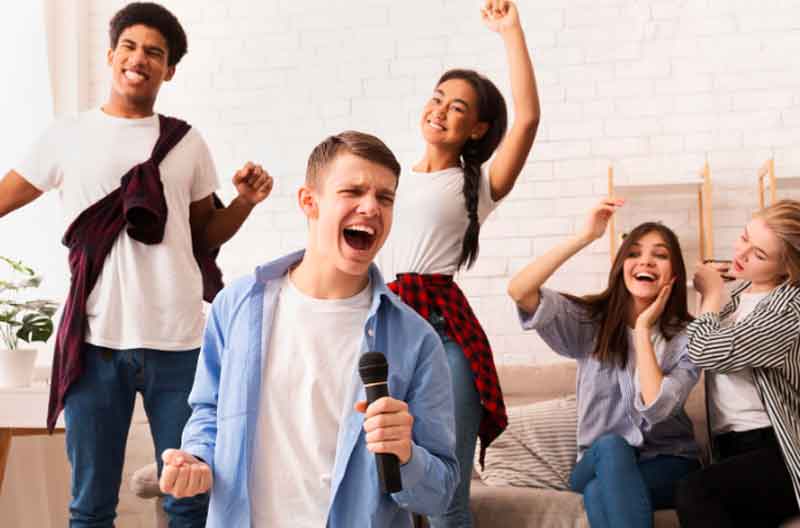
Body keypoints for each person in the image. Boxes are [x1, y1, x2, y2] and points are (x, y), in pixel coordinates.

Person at [0, 3, 273, 526]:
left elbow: (202, 235)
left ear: (168, 70)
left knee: (189, 499)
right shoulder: (66, 134)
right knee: (90, 505)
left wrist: (242, 203)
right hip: (96, 342)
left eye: (154, 52)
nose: (139, 58)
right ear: (110, 55)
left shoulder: (185, 142)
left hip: (180, 343)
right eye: (129, 46)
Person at [158, 131, 459, 528]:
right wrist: (195, 457)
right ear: (309, 202)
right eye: (353, 191)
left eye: (385, 198)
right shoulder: (238, 305)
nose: (371, 207)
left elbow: (439, 496)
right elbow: (209, 411)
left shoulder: (416, 339)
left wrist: (407, 455)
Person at [381, 1, 540, 525]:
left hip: (447, 332)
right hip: (386, 328)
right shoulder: (385, 178)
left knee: (449, 494)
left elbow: (529, 119)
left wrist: (510, 32)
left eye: (458, 107)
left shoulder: (478, 187)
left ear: (477, 129)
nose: (441, 110)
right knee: (384, 487)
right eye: (437, 98)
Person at [507, 199, 701, 528]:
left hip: (668, 463)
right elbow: (520, 290)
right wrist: (585, 236)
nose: (646, 261)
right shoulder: (589, 323)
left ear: (674, 274)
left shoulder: (687, 337)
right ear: (621, 264)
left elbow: (656, 407)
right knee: (611, 448)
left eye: (661, 255)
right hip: (597, 460)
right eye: (635, 252)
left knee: (601, 492)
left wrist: (642, 330)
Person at [675, 199, 800, 526]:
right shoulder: (740, 290)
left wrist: (711, 293)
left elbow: (704, 350)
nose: (741, 255)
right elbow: (700, 334)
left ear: (787, 268)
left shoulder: (789, 310)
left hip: (777, 451)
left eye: (759, 254)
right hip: (729, 448)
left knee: (694, 492)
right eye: (744, 238)